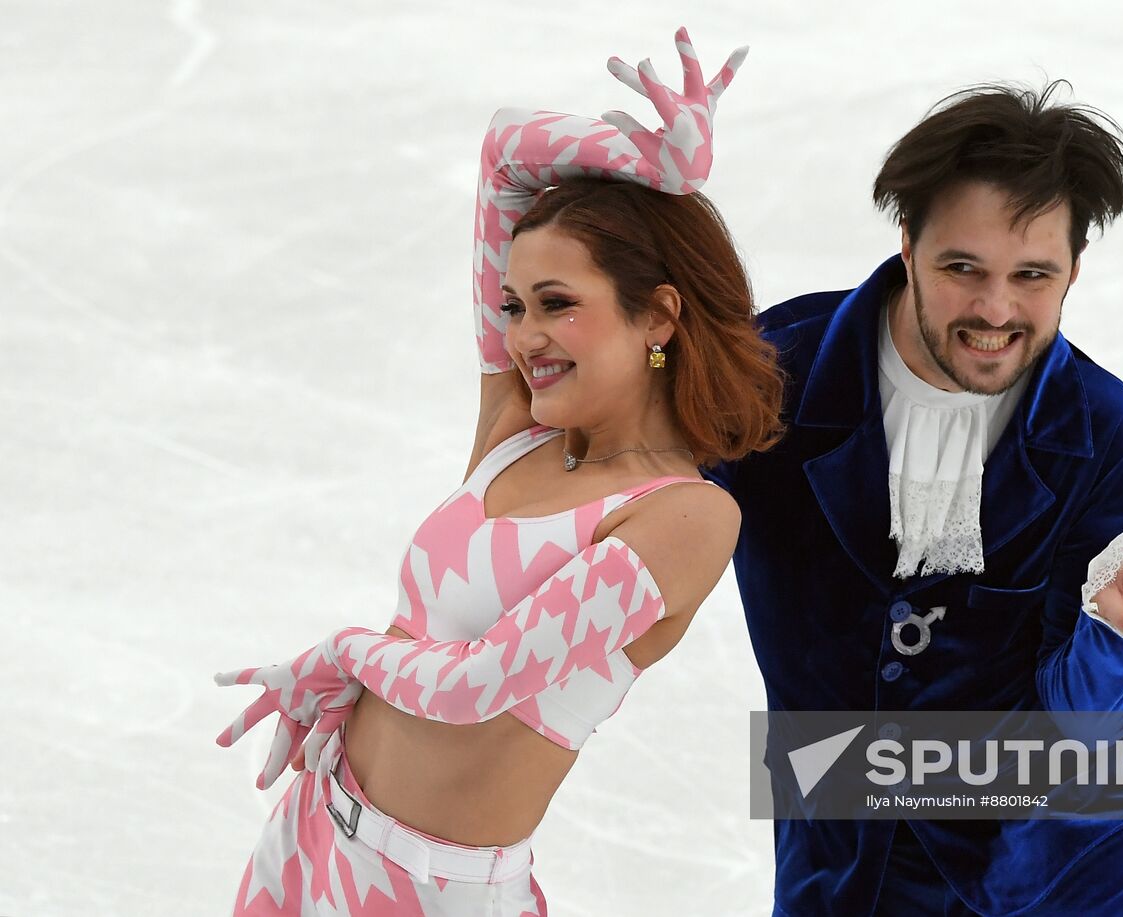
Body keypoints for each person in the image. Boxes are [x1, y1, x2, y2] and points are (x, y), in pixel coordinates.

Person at [214, 30, 780, 916]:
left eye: (559, 305)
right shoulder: (517, 427)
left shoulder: (685, 517)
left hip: (434, 895)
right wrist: (649, 162)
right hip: (312, 831)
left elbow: (477, 685)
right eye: (516, 305)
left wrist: (341, 654)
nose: (523, 337)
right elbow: (505, 150)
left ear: (659, 317)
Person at [698, 83, 1123, 915]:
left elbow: (1082, 731)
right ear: (908, 241)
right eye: (963, 268)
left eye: (1034, 275)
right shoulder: (775, 376)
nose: (996, 310)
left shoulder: (1104, 432)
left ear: (1075, 268)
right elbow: (636, 475)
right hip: (846, 866)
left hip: (1067, 877)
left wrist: (1114, 632)